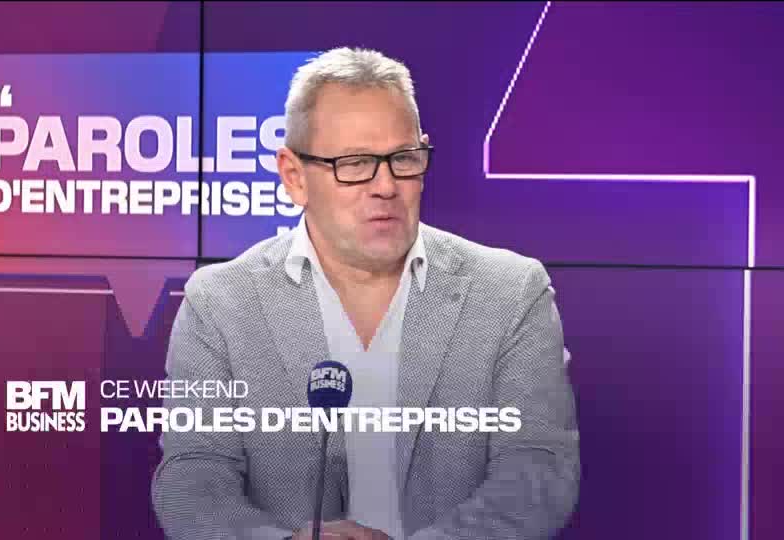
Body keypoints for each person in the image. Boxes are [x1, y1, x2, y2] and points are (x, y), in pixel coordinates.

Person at [152, 47, 580, 540]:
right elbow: (193, 479)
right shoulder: (220, 304)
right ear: (294, 177)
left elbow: (538, 472)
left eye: (404, 159)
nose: (386, 186)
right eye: (355, 164)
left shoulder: (510, 292)